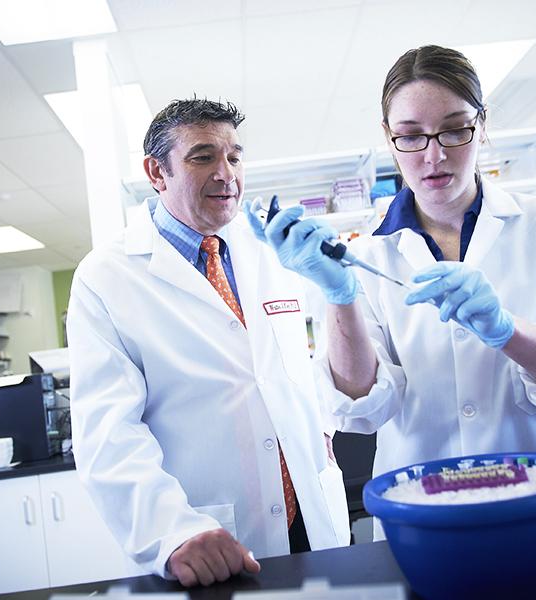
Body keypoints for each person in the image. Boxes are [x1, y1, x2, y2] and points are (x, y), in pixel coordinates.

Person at [245, 45, 536, 534]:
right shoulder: (366, 256)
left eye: (455, 129)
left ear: (481, 125)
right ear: (389, 140)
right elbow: (361, 408)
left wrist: (508, 331)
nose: (435, 155)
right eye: (411, 136)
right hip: (425, 518)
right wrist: (340, 297)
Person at [68, 98, 350, 587]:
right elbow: (108, 437)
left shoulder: (268, 247)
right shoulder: (105, 277)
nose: (227, 174)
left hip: (313, 509)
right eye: (203, 157)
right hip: (211, 538)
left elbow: (302, 363)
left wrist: (320, 424)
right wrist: (171, 532)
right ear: (157, 172)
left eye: (235, 157)